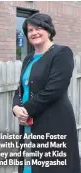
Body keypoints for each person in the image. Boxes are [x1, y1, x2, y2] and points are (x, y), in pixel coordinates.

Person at [12, 13, 80, 173]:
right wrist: (16, 107)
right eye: (30, 30)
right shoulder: (28, 59)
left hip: (54, 122)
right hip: (28, 123)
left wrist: (26, 110)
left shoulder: (62, 53)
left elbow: (54, 90)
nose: (34, 32)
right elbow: (20, 90)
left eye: (38, 28)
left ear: (49, 30)